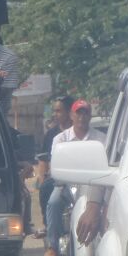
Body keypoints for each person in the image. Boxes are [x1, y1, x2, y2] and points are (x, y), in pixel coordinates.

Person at [44, 99, 105, 256]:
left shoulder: (100, 139)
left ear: (90, 116)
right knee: (53, 202)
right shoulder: (60, 139)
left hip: (92, 185)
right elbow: (55, 164)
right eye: (78, 113)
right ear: (71, 115)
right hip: (66, 183)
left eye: (85, 113)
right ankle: (53, 244)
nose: (82, 117)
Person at [34, 95, 75, 238]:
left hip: (81, 179)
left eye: (59, 111)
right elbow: (43, 160)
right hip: (58, 178)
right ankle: (48, 227)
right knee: (45, 188)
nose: (55, 114)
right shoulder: (52, 134)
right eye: (55, 111)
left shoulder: (82, 131)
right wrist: (42, 177)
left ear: (70, 112)